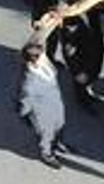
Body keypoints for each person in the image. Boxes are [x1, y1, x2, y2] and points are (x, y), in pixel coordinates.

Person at [18, 38, 69, 168]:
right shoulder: (29, 83)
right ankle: (47, 153)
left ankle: (58, 143)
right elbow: (25, 101)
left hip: (55, 103)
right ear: (33, 62)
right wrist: (26, 115)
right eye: (42, 55)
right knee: (47, 134)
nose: (45, 56)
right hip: (43, 113)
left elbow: (41, 36)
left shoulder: (43, 64)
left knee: (60, 124)